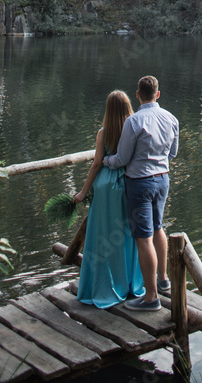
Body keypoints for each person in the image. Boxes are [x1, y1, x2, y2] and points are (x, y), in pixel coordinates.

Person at [103, 75, 179, 311]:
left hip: (140, 183)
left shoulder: (133, 122)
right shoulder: (171, 118)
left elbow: (122, 159)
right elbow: (173, 153)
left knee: (143, 238)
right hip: (163, 180)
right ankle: (163, 279)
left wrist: (105, 161)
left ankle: (151, 298)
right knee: (158, 228)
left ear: (137, 95)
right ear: (158, 94)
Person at [73, 90, 145, 307]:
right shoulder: (134, 128)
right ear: (128, 107)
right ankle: (131, 284)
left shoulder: (103, 133)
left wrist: (83, 192)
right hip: (127, 183)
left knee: (103, 236)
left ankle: (102, 286)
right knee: (127, 235)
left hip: (105, 188)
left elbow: (96, 164)